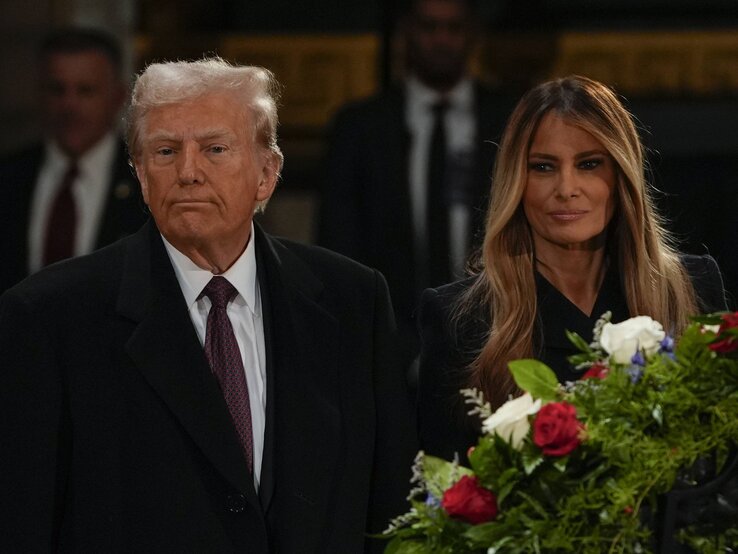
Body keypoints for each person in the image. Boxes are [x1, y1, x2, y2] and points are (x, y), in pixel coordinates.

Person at [0, 57, 415, 553]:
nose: (189, 171)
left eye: (215, 148)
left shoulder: (353, 300)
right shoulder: (51, 315)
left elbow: (395, 507)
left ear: (267, 173)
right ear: (140, 174)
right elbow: (22, 523)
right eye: (166, 151)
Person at [417, 75, 728, 463]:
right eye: (543, 167)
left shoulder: (691, 289)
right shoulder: (462, 318)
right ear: (517, 180)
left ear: (621, 173)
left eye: (589, 164)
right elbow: (443, 487)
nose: (566, 188)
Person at [318, 0, 514, 378]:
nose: (441, 40)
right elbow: (337, 242)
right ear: (408, 31)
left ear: (473, 34)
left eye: (453, 29)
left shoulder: (509, 120)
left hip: (494, 335)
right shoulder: (360, 127)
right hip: (385, 344)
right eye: (429, 27)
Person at [0, 26, 146, 293]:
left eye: (85, 91)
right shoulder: (9, 177)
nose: (69, 105)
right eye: (57, 89)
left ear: (117, 97)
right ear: (39, 94)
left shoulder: (146, 182)